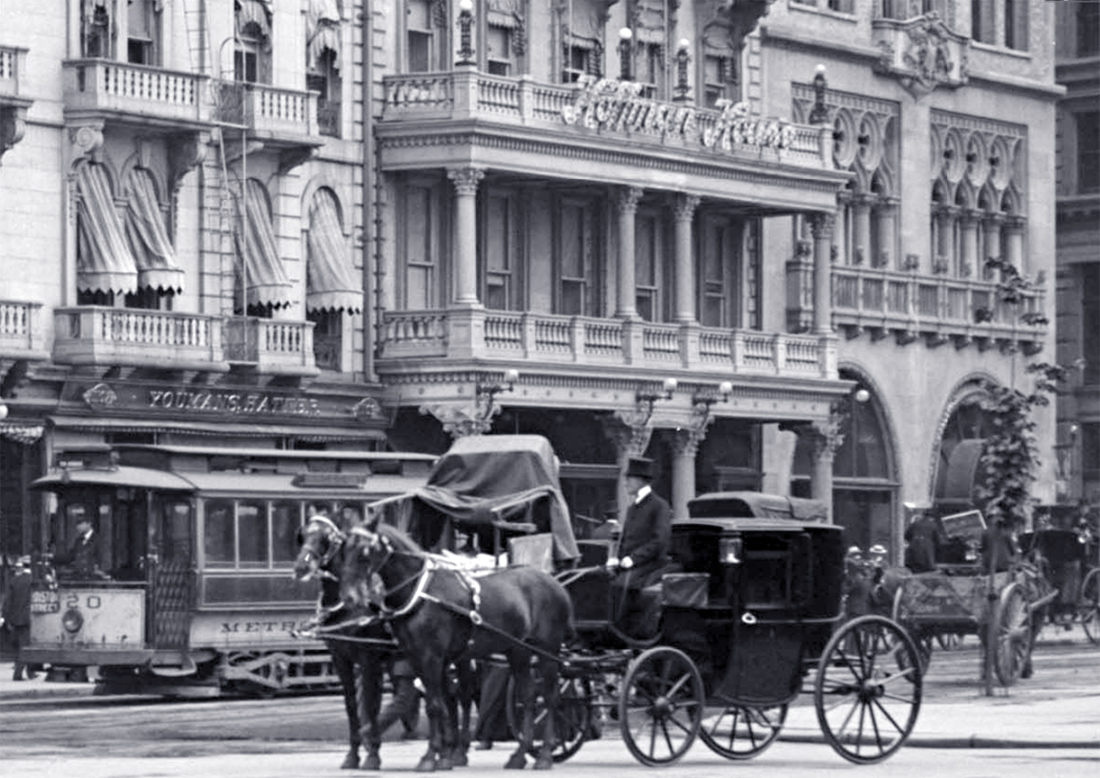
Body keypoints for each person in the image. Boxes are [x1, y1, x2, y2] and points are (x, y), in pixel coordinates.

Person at [608, 456, 671, 640]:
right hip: (631, 564)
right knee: (601, 580)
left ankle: (623, 633)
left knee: (621, 586)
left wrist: (633, 558)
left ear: (641, 480)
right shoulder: (632, 508)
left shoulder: (659, 506)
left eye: (629, 478)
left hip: (651, 565)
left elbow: (660, 541)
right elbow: (625, 539)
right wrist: (616, 558)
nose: (625, 482)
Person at [2, 556, 36, 681]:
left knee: (18, 646)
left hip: (15, 618)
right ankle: (18, 673)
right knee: (25, 646)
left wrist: (6, 618)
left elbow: (8, 601)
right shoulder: (34, 581)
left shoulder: (15, 580)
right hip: (29, 618)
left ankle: (30, 671)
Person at [376, 656, 421, 740]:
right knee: (403, 701)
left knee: (408, 699)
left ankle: (411, 730)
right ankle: (371, 731)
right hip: (408, 665)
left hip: (401, 665)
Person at [53, 508, 105, 580]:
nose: (78, 527)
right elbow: (70, 556)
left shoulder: (98, 540)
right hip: (79, 579)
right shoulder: (79, 541)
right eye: (77, 524)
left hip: (94, 580)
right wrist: (53, 558)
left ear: (89, 523)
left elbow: (103, 560)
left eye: (80, 523)